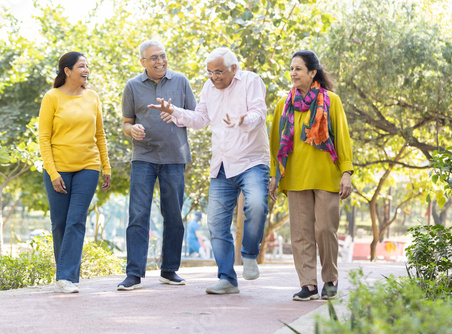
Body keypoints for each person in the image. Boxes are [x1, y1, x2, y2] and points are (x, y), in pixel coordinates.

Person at [149, 47, 270, 295]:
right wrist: (174, 112)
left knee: (256, 203)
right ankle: (227, 278)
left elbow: (260, 113)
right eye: (210, 72)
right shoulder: (208, 88)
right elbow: (201, 119)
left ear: (233, 69)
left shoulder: (250, 81)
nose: (214, 77)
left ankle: (248, 254)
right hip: (222, 165)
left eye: (218, 72)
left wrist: (243, 120)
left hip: (251, 160)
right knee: (215, 222)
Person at [268, 50, 353, 301]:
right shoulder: (283, 105)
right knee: (301, 234)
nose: (293, 73)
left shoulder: (331, 101)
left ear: (312, 72)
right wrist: (275, 176)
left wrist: (346, 173)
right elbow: (275, 145)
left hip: (327, 176)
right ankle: (308, 284)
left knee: (325, 229)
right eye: (291, 69)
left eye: (298, 69)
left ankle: (330, 278)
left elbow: (343, 139)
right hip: (295, 177)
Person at [117, 40, 197, 291]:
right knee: (138, 214)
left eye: (162, 56)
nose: (160, 61)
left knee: (173, 215)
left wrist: (175, 113)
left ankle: (169, 270)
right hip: (144, 157)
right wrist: (133, 130)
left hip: (175, 157)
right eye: (153, 57)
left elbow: (195, 117)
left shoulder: (180, 81)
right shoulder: (132, 86)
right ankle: (134, 274)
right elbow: (126, 123)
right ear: (142, 61)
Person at [39, 51, 111, 294]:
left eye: (87, 65)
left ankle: (66, 276)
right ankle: (65, 275)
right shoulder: (52, 98)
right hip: (58, 168)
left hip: (88, 167)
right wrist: (52, 172)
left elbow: (99, 134)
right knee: (59, 222)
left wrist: (106, 166)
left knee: (76, 220)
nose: (86, 69)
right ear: (67, 71)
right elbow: (44, 138)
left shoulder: (92, 97)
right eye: (81, 66)